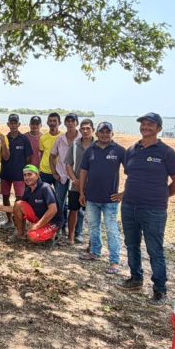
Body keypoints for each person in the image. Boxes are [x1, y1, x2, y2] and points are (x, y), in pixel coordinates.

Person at [120, 112, 175, 305]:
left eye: (150, 124)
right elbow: (130, 175)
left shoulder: (166, 152)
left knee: (154, 249)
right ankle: (135, 278)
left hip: (154, 210)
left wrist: (162, 196)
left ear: (159, 128)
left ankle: (159, 290)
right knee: (131, 244)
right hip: (129, 206)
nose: (146, 127)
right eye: (143, 123)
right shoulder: (132, 150)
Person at [79, 122, 126, 275]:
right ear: (97, 133)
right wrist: (81, 192)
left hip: (110, 200)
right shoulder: (90, 150)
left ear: (112, 133)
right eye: (102, 132)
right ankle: (95, 252)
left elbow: (132, 172)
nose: (105, 134)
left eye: (108, 131)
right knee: (93, 226)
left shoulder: (119, 150)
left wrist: (124, 193)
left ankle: (114, 261)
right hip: (92, 197)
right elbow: (83, 171)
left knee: (112, 230)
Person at [0, 164, 61, 244]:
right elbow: (18, 208)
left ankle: (53, 235)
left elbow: (53, 210)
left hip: (52, 222)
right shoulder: (28, 190)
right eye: (25, 175)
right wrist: (0, 208)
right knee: (18, 204)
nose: (27, 177)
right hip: (38, 218)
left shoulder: (45, 188)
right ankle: (20, 234)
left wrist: (37, 225)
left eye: (30, 174)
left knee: (32, 237)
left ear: (37, 175)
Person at [64, 118, 95, 243]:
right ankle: (71, 237)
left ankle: (92, 242)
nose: (85, 131)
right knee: (73, 210)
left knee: (93, 213)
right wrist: (74, 179)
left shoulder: (98, 146)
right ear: (80, 130)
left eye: (88, 128)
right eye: (83, 128)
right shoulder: (75, 145)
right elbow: (68, 164)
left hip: (93, 185)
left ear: (93, 130)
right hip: (75, 184)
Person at [0, 113, 33, 219]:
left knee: (19, 199)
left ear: (19, 124)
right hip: (5, 173)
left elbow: (29, 158)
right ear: (8, 124)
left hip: (19, 175)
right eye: (11, 123)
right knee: (5, 197)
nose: (13, 125)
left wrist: (26, 173)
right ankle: (9, 219)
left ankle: (16, 218)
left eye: (15, 123)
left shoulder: (24, 139)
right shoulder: (4, 138)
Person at [50, 112, 80, 230]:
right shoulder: (60, 139)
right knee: (59, 203)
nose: (70, 123)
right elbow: (52, 156)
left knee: (76, 206)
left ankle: (78, 232)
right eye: (68, 121)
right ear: (65, 123)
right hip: (62, 175)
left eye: (73, 121)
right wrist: (54, 173)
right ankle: (59, 227)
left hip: (76, 177)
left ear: (76, 123)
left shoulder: (81, 138)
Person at [39, 112, 62, 187]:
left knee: (59, 194)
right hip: (44, 171)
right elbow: (42, 153)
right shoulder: (43, 138)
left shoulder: (63, 137)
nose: (52, 123)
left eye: (54, 121)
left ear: (59, 123)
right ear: (47, 123)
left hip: (59, 171)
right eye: (50, 121)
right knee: (44, 193)